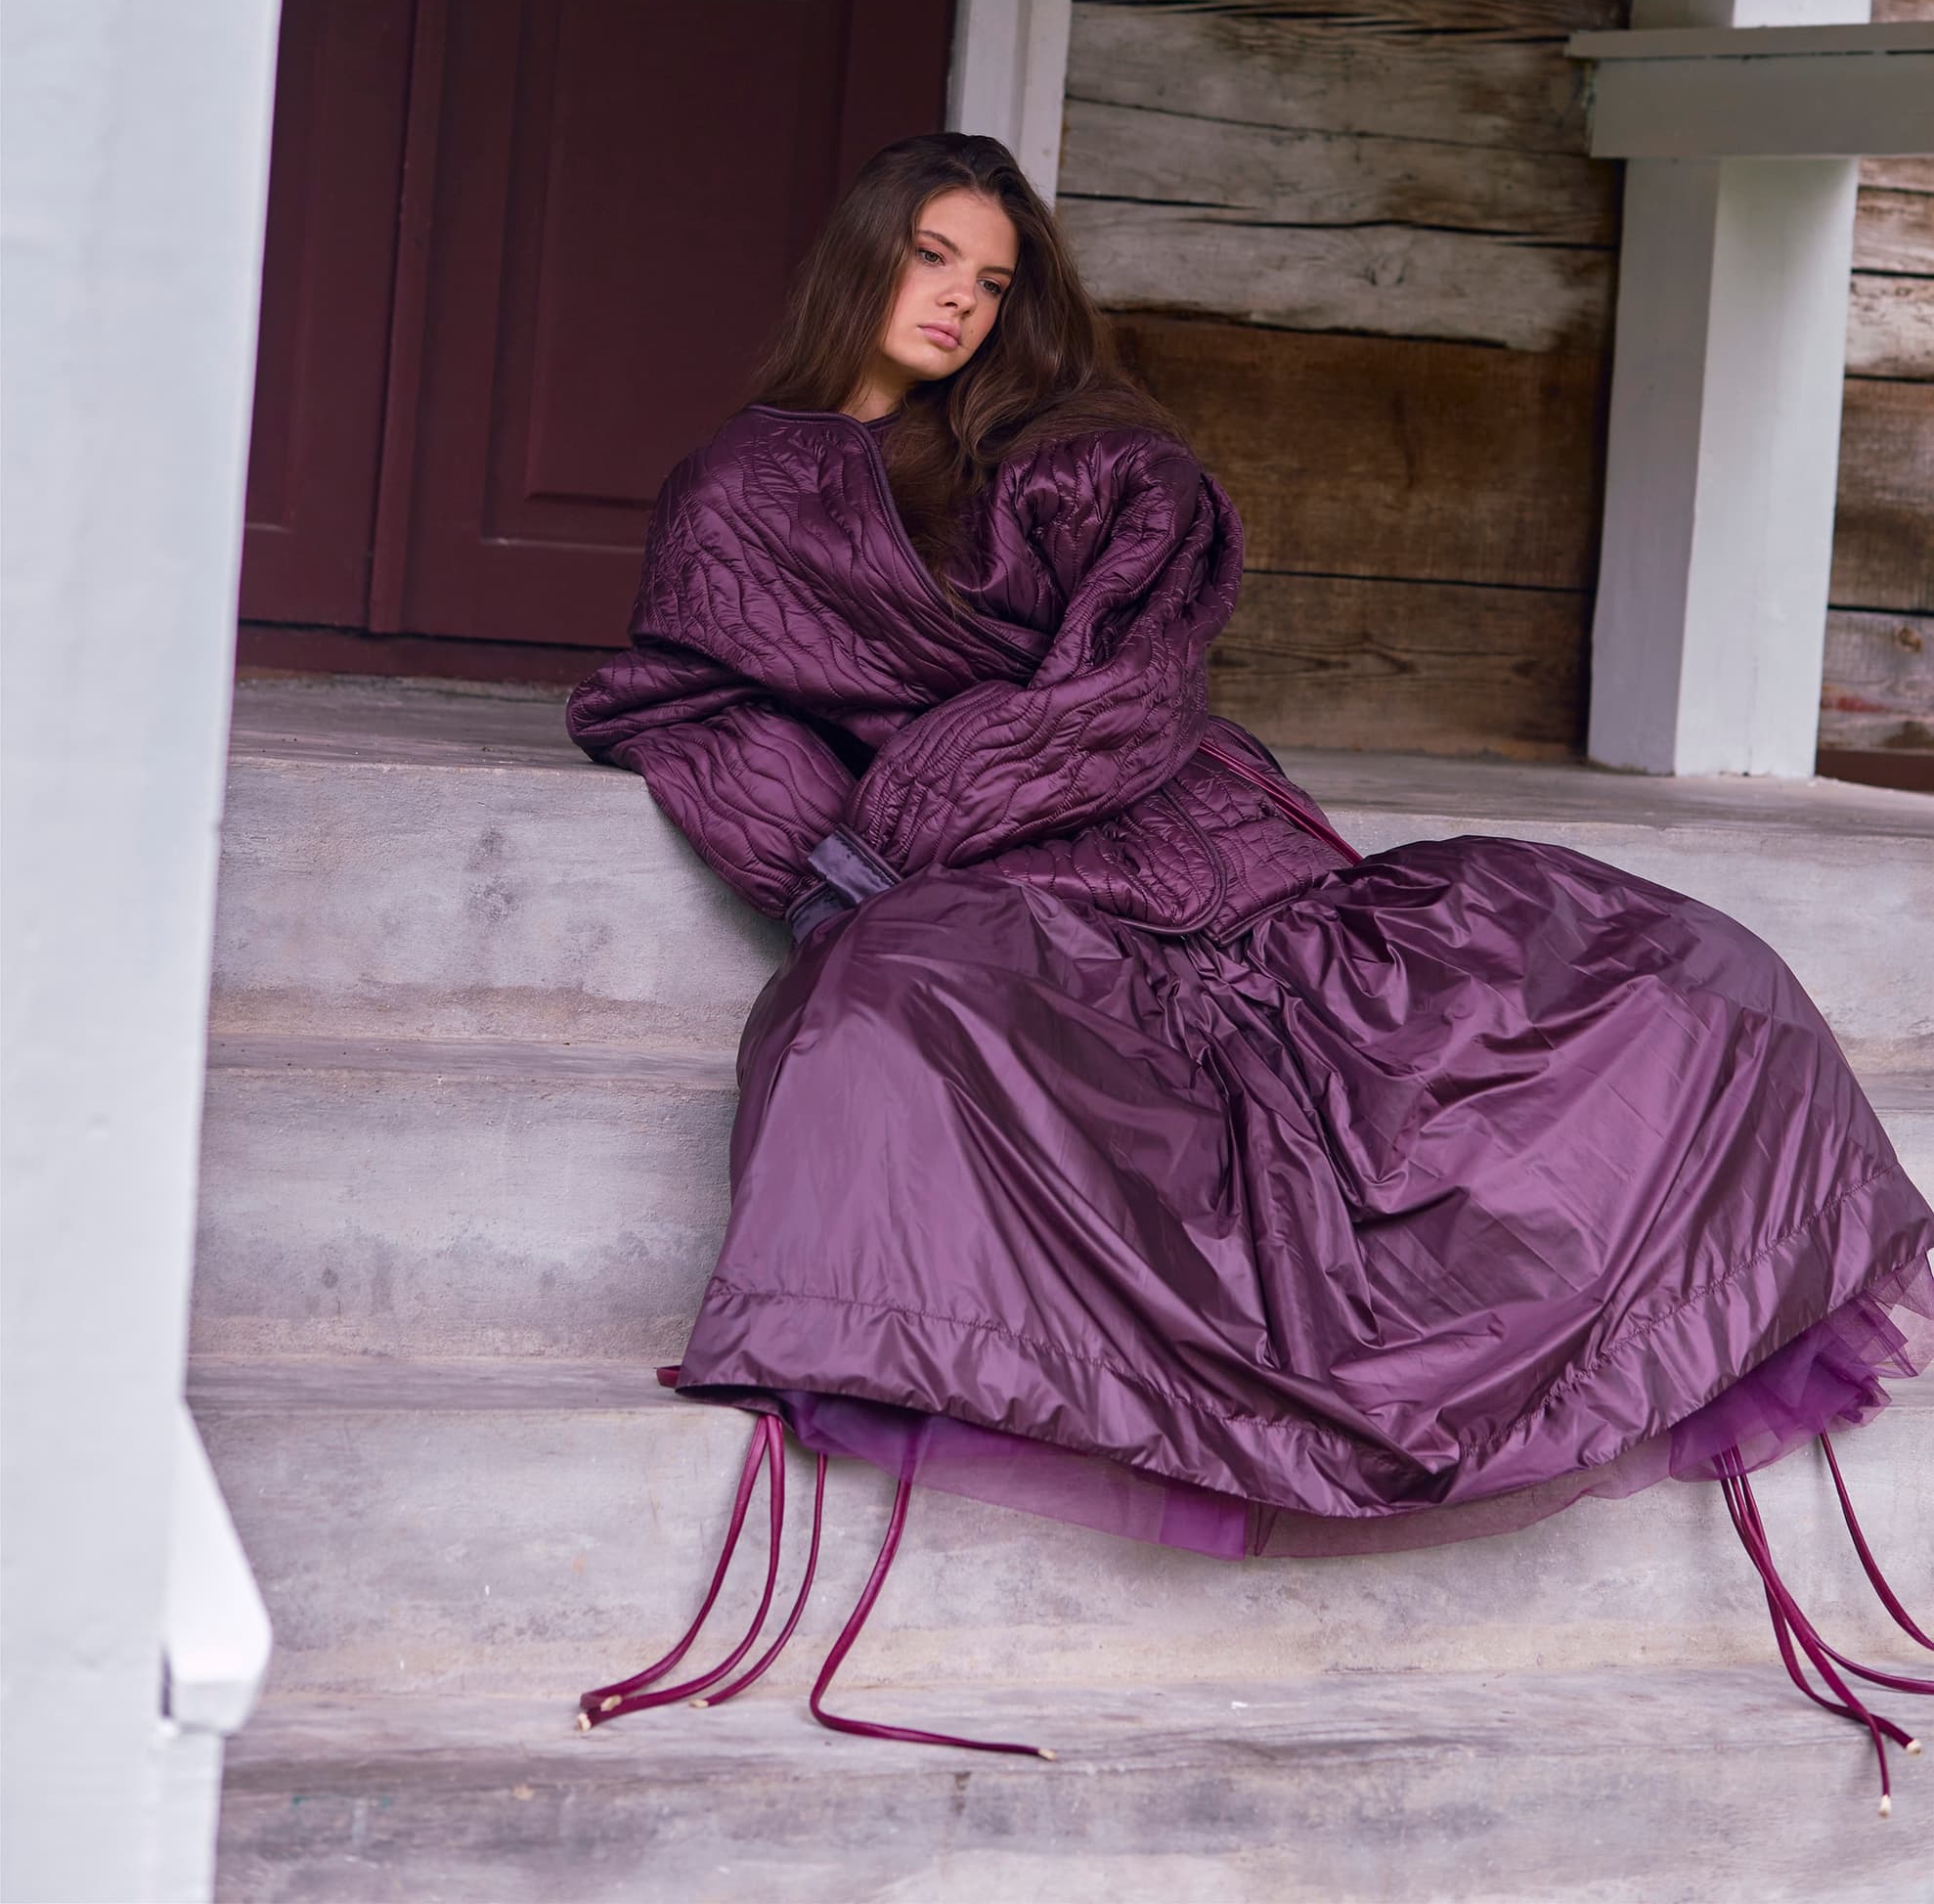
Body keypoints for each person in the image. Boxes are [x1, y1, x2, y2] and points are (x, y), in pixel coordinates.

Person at [566, 132, 1934, 1800]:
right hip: (1009, 896)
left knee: (1669, 976)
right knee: (893, 1012)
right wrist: (835, 868)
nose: (957, 303)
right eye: (931, 258)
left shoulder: (1073, 463)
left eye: (992, 280)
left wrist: (912, 806)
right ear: (860, 259)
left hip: (1204, 839)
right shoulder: (739, 495)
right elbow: (681, 702)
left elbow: (1128, 694)